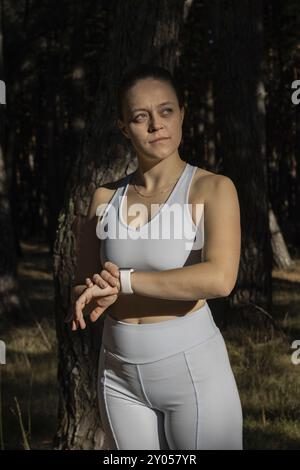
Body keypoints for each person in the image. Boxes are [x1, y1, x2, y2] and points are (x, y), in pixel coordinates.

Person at [68, 64, 243, 450]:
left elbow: (219, 278)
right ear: (123, 127)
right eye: (139, 117)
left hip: (193, 371)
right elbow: (82, 279)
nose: (155, 126)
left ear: (182, 113)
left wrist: (125, 282)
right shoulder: (103, 198)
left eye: (166, 111)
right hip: (117, 372)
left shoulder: (213, 188)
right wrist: (91, 291)